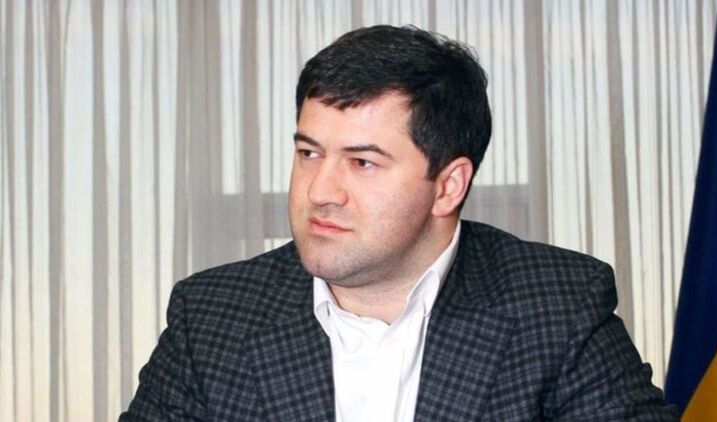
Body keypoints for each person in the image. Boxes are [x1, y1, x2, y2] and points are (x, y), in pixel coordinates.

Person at [121, 25, 677, 421]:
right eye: (309, 153)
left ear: (448, 186)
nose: (319, 192)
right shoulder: (211, 316)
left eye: (362, 162)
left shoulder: (558, 305)